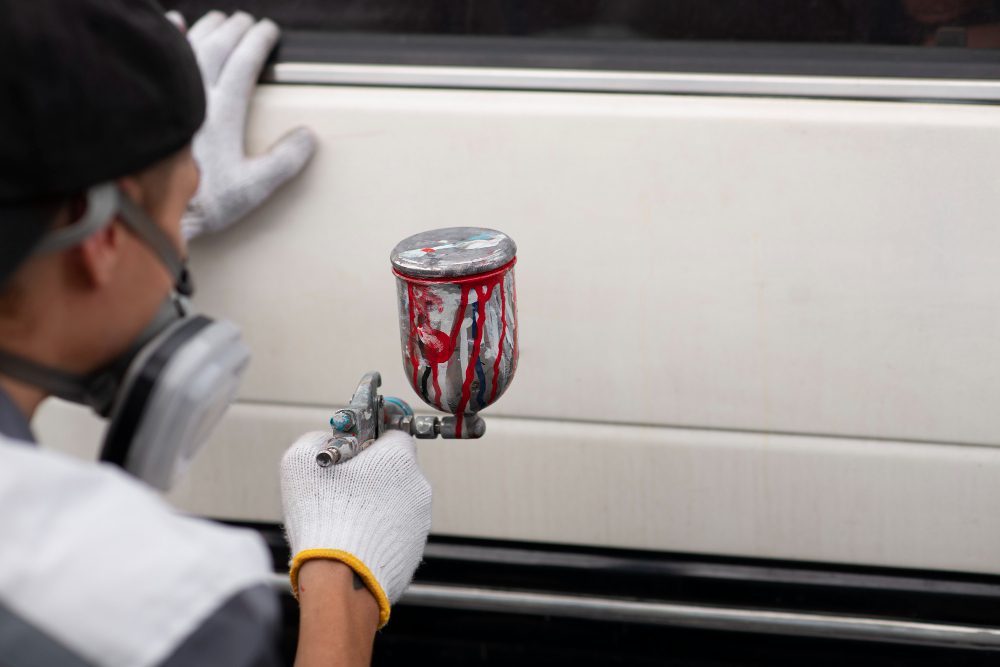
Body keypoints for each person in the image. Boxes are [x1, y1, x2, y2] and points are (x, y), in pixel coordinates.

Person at [0, 1, 433, 665]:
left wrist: (159, 210)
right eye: (181, 211)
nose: (180, 251)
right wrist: (340, 579)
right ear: (102, 236)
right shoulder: (159, 612)